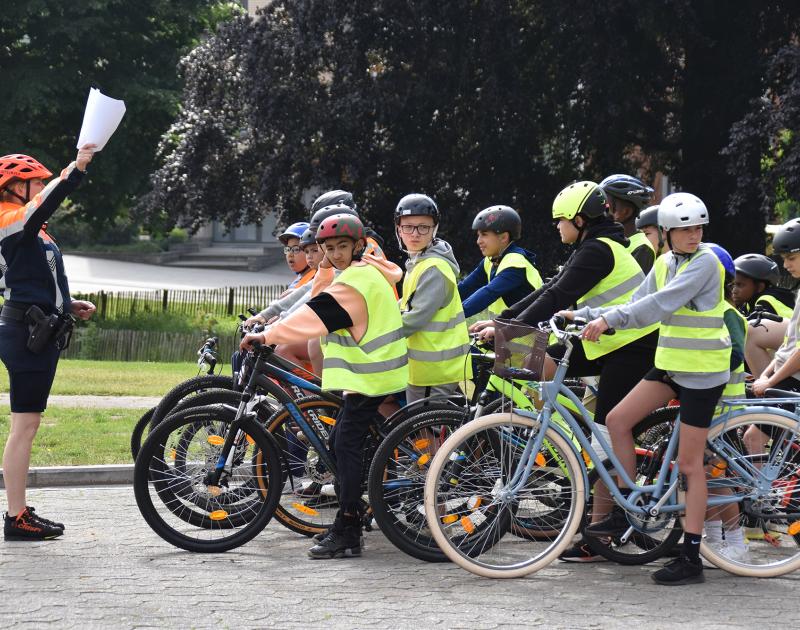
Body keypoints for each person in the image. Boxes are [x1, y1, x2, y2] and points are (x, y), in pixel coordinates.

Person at [473, 181, 659, 562]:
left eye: (560, 221)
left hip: (632, 346)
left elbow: (558, 297)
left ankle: (606, 525)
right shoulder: (591, 247)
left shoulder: (597, 250)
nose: (557, 228)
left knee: (607, 430)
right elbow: (553, 287)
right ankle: (557, 421)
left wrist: (509, 330)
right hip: (604, 342)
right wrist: (504, 321)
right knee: (535, 355)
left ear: (578, 219)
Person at [568, 192, 732, 585]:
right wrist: (583, 314)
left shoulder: (706, 263)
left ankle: (691, 556)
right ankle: (626, 506)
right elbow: (636, 300)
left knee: (691, 466)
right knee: (618, 419)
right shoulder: (664, 262)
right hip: (671, 366)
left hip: (703, 373)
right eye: (684, 230)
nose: (694, 235)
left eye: (697, 228)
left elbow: (661, 305)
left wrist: (608, 320)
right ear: (667, 234)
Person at [240, 213, 407, 559]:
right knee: (341, 440)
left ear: (359, 246)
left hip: (371, 377)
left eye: (342, 247)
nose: (335, 254)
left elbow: (312, 317)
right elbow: (318, 299)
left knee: (344, 445)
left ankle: (348, 525)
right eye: (328, 248)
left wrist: (267, 335)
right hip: (369, 375)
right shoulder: (361, 273)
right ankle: (353, 511)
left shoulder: (356, 282)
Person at [0, 147, 98, 541]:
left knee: (27, 422)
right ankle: (16, 516)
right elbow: (39, 207)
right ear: (15, 186)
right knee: (24, 424)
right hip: (26, 332)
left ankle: (17, 511)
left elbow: (31, 278)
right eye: (36, 182)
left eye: (43, 180)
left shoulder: (28, 227)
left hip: (36, 326)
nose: (40, 187)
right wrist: (75, 170)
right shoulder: (11, 218)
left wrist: (67, 303)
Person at [395, 193, 472, 403]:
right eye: (408, 227)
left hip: (435, 368)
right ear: (399, 229)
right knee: (420, 428)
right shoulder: (418, 263)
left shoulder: (434, 268)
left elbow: (415, 318)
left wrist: (371, 335)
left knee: (427, 431)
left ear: (434, 229)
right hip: (426, 365)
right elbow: (405, 305)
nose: (415, 234)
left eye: (423, 227)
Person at [457, 205, 542, 318]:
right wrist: (436, 304)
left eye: (484, 235)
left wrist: (453, 315)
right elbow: (465, 288)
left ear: (503, 237)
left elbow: (488, 293)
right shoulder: (491, 260)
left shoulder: (516, 263)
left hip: (536, 334)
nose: (478, 241)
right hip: (511, 332)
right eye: (478, 235)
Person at [751, 219, 800, 398]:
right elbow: (789, 344)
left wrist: (770, 381)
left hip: (794, 377)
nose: (786, 265)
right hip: (787, 373)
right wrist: (765, 375)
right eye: (784, 259)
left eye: (791, 258)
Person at [600, 174, 656, 272]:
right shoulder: (610, 240)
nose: (601, 212)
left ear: (626, 212)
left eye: (607, 207)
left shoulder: (642, 249)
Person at [732, 253, 794, 318]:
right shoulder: (748, 303)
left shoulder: (765, 302)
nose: (734, 291)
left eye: (740, 285)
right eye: (733, 285)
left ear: (760, 287)